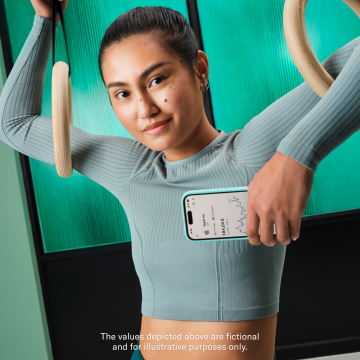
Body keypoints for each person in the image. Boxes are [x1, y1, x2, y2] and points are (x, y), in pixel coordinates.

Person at [1, 0, 360, 359]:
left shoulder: (253, 152)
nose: (144, 108)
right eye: (122, 93)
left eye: (157, 79)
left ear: (199, 70)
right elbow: (13, 124)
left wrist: (297, 155)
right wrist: (44, 21)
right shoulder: (131, 169)